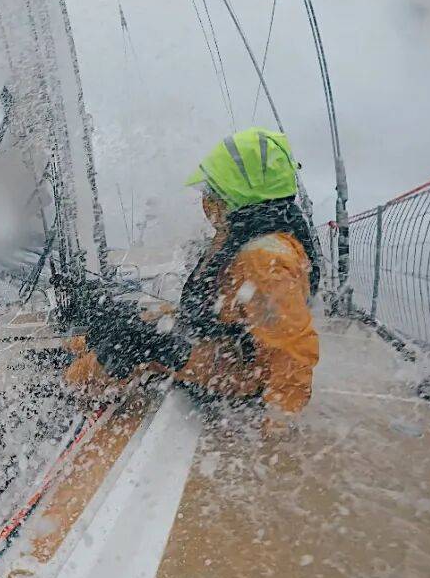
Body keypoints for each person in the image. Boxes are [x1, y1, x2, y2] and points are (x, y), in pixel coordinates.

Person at [66, 127, 320, 433]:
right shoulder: (254, 233)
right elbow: (228, 309)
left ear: (235, 196)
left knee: (132, 343)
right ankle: (76, 353)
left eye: (213, 192)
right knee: (126, 320)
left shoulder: (263, 258)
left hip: (239, 370)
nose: (206, 201)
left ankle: (70, 395)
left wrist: (279, 421)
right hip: (224, 345)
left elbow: (291, 347)